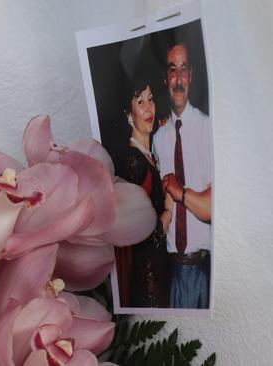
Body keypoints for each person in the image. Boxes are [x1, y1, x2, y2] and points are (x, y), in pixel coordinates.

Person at [153, 42, 212, 309]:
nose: (178, 79)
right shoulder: (159, 139)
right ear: (165, 79)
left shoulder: (207, 128)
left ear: (192, 76)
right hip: (171, 273)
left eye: (184, 70)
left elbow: (211, 208)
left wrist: (182, 192)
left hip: (202, 272)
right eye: (172, 70)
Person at [116, 70, 172, 308]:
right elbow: (143, 236)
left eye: (151, 99)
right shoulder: (132, 162)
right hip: (147, 277)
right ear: (129, 114)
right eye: (140, 102)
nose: (149, 108)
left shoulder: (149, 155)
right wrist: (168, 210)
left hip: (161, 270)